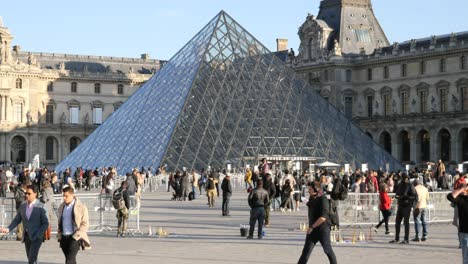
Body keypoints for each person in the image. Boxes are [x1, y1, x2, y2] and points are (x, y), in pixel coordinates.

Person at [0, 185, 49, 264]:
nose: (26, 195)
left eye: (29, 193)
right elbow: (17, 219)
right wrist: (8, 229)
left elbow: (45, 223)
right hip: (27, 236)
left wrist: (39, 234)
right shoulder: (23, 206)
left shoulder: (41, 206)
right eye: (26, 193)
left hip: (37, 237)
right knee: (30, 257)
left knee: (32, 258)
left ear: (35, 194)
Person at [297, 181, 337, 264]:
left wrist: (311, 227)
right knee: (306, 252)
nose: (309, 191)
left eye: (310, 189)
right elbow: (310, 204)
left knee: (327, 250)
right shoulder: (312, 198)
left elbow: (323, 217)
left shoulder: (323, 199)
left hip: (323, 229)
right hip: (313, 230)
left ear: (316, 189)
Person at [57, 186, 91, 263]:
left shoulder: (81, 207)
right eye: (63, 196)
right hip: (64, 237)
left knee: (69, 260)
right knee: (70, 260)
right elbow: (60, 221)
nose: (64, 198)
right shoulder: (62, 206)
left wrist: (76, 236)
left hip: (75, 237)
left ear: (72, 195)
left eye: (66, 196)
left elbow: (85, 224)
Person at [390, 173, 416, 244]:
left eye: (404, 178)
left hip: (407, 206)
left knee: (406, 223)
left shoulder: (410, 185)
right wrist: (396, 196)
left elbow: (414, 196)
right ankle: (396, 238)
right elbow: (397, 192)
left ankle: (406, 239)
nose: (403, 179)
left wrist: (405, 197)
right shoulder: (400, 184)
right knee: (397, 222)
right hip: (400, 205)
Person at [447, 182, 468, 264]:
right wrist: (461, 189)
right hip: (465, 232)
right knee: (466, 258)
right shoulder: (462, 199)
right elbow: (450, 197)